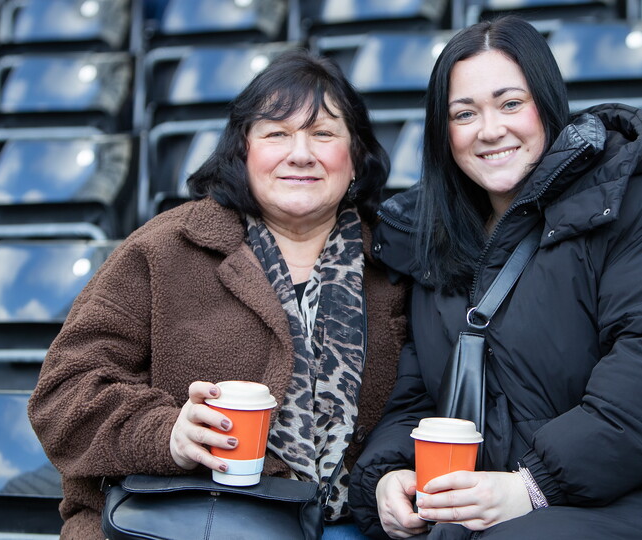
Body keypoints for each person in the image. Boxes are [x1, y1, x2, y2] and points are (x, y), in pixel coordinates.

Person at [348, 16, 642, 539]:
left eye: (511, 104)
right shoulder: (437, 247)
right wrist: (391, 476)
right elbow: (420, 399)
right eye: (464, 113)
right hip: (518, 508)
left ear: (549, 104)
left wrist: (532, 487)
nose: (490, 130)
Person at [28, 49, 408, 539]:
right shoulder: (164, 248)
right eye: (276, 133)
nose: (301, 153)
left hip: (354, 527)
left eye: (323, 133)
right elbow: (61, 395)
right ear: (242, 152)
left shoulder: (397, 260)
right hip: (181, 525)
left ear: (355, 157)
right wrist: (169, 434)